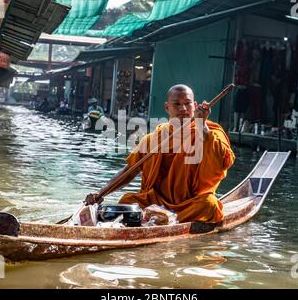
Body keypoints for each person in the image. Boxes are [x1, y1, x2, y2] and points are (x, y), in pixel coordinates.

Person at [85, 85, 235, 224]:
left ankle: (165, 219)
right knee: (128, 200)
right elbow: (128, 172)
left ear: (195, 106)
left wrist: (202, 125)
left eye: (187, 103)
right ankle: (156, 218)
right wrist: (100, 194)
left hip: (190, 203)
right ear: (167, 107)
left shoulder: (210, 132)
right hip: (155, 202)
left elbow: (222, 160)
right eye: (177, 104)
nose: (183, 108)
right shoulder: (153, 139)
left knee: (209, 205)